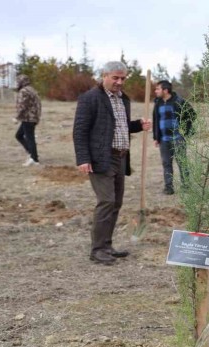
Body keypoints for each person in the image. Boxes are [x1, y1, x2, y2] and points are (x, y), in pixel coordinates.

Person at [73, 61, 151, 265]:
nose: (119, 82)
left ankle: (106, 246)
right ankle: (97, 250)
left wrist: (138, 125)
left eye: (123, 78)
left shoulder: (122, 99)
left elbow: (120, 126)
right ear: (104, 76)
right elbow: (80, 130)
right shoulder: (90, 98)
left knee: (116, 203)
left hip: (121, 157)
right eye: (115, 77)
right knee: (106, 201)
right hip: (101, 158)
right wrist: (83, 158)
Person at [152, 80, 196, 195]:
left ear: (165, 90)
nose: (155, 91)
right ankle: (168, 188)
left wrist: (185, 131)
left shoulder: (179, 101)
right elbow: (156, 121)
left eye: (158, 89)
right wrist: (156, 137)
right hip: (164, 140)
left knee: (182, 163)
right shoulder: (157, 103)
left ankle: (186, 186)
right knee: (166, 163)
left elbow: (192, 114)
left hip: (178, 138)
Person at [14, 74, 42, 166]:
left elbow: (22, 106)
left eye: (18, 81)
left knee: (29, 137)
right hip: (33, 117)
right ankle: (32, 154)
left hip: (28, 118)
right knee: (19, 135)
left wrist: (17, 117)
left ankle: (34, 158)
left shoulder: (24, 91)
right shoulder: (32, 89)